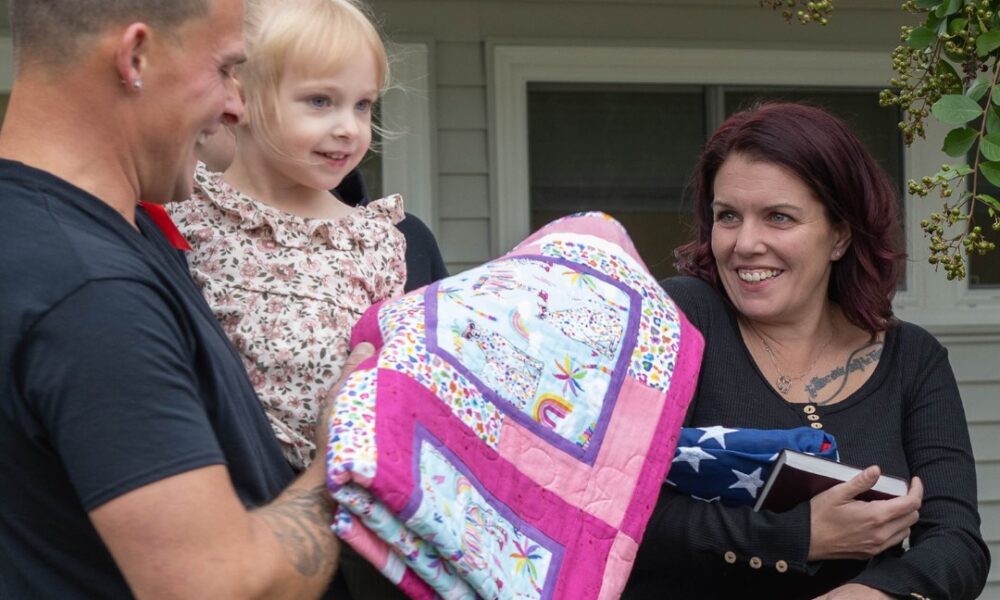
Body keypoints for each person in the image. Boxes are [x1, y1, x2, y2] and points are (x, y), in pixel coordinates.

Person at [0, 1, 372, 597]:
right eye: (225, 69)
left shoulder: (93, 233)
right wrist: (339, 462)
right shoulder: (91, 294)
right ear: (135, 57)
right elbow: (216, 586)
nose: (236, 107)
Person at [623, 103, 990, 599]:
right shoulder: (679, 319)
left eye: (778, 217)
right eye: (728, 216)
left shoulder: (912, 359)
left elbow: (956, 542)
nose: (745, 243)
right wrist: (799, 536)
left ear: (840, 234)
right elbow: (616, 505)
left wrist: (870, 594)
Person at [168, 0, 407, 472]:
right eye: (320, 101)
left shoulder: (375, 240)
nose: (349, 128)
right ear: (240, 98)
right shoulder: (188, 215)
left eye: (362, 105)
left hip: (339, 487)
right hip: (218, 478)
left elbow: (390, 378)